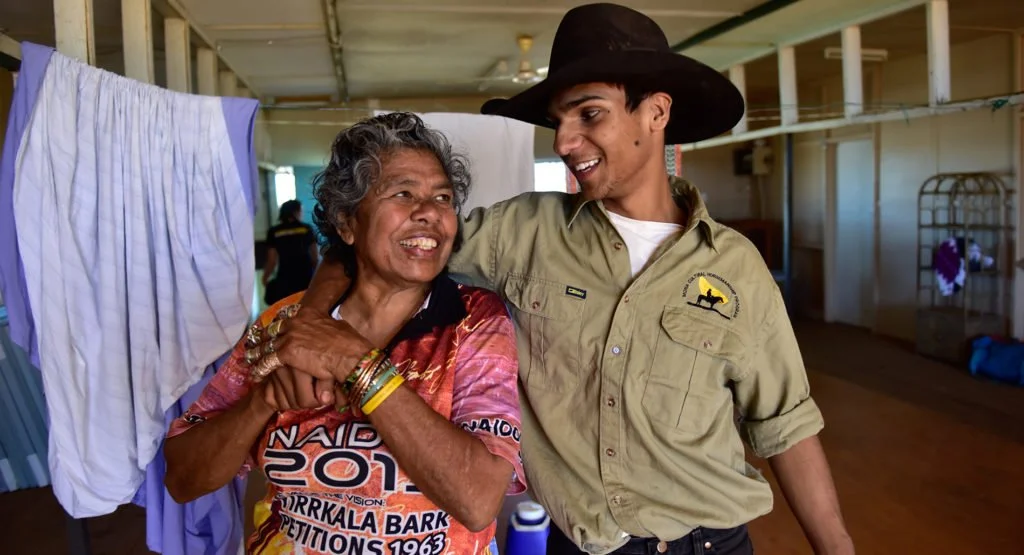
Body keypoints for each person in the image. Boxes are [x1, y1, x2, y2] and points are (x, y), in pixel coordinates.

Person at [260, 4, 855, 555]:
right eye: (559, 121)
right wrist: (311, 332)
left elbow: (787, 426)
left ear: (656, 112)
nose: (565, 142)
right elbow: (380, 245)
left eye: (589, 113)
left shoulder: (735, 268)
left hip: (708, 543)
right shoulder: (525, 233)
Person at [163, 112, 526, 555]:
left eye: (443, 197)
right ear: (346, 222)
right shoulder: (287, 323)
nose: (429, 211)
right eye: (403, 193)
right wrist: (263, 402)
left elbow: (478, 499)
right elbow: (182, 479)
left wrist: (357, 364)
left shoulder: (473, 321)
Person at [262, 199, 319, 305]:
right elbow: (315, 258)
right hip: (305, 277)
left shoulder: (274, 232)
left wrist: (265, 277)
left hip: (285, 279)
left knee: (285, 310)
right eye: (301, 211)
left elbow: (272, 260)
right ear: (296, 212)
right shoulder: (306, 229)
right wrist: (317, 278)